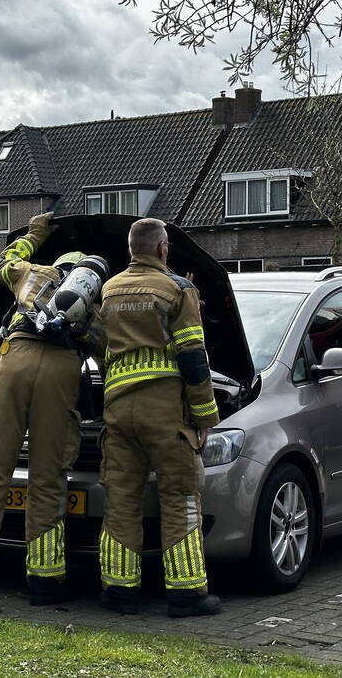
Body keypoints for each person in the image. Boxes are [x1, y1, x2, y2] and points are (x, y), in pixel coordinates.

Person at [0, 212, 106, 606]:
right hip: (60, 372)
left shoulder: (32, 273)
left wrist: (33, 235)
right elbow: (109, 351)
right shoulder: (91, 302)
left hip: (14, 360)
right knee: (48, 478)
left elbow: (0, 263)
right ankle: (45, 583)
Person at [97, 217, 222, 618]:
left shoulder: (109, 289)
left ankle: (119, 591)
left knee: (121, 500)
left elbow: (102, 347)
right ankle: (187, 593)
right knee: (180, 497)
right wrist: (204, 416)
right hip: (165, 413)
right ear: (163, 249)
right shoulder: (177, 290)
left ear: (132, 250)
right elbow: (192, 357)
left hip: (118, 411)